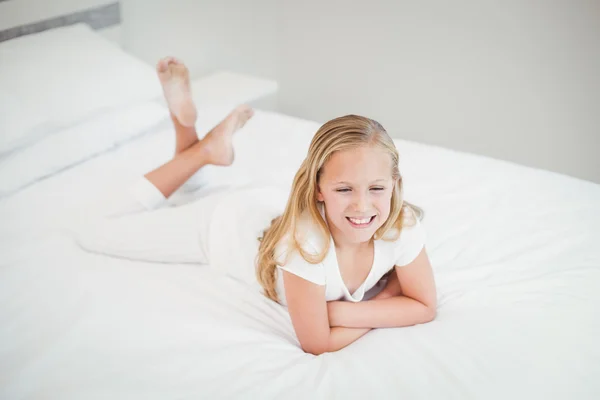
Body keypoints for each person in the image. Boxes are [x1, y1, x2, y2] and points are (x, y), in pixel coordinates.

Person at [75, 57, 437, 356]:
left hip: (263, 208)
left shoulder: (399, 223)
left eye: (376, 187)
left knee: (190, 193)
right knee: (95, 231)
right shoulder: (306, 248)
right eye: (344, 188)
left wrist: (347, 311)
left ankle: (193, 135)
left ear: (394, 185)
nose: (362, 205)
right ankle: (201, 150)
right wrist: (387, 301)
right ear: (318, 189)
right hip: (222, 226)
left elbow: (424, 306)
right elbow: (318, 342)